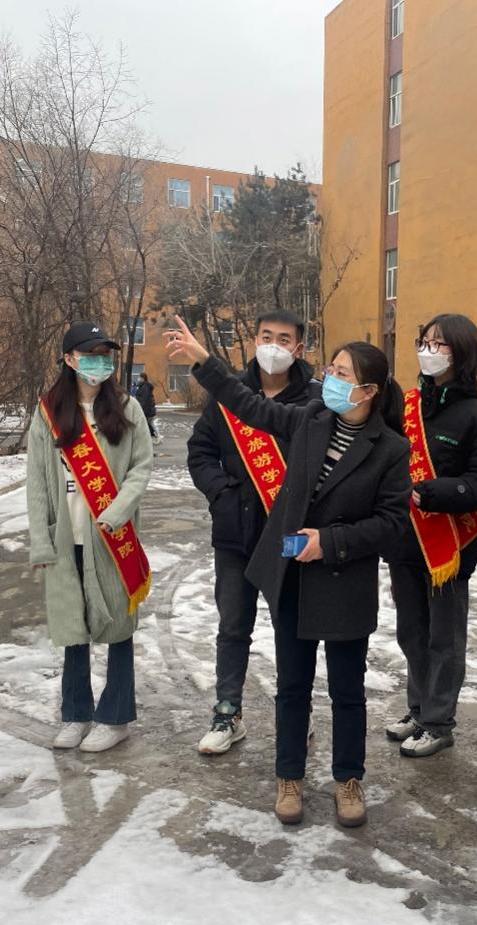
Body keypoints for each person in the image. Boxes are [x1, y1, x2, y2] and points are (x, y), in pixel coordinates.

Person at [166, 317, 411, 828]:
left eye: (343, 374)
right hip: (293, 578)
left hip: (345, 583)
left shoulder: (390, 448)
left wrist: (331, 542)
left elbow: (391, 524)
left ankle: (348, 780)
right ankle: (289, 778)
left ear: (369, 391)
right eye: (331, 370)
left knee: (348, 691)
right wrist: (203, 361)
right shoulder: (310, 419)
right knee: (292, 686)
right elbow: (248, 404)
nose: (331, 380)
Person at [185, 310, 320, 756]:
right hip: (236, 533)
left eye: (283, 339)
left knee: (292, 631)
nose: (273, 346)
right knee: (233, 626)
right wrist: (222, 494)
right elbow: (200, 451)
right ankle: (228, 712)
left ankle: (296, 712)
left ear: (298, 348)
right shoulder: (229, 393)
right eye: (266, 337)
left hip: (290, 539)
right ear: (254, 340)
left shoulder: (315, 401)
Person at [27, 323, 154, 754]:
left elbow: (141, 467)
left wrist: (117, 512)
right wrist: (40, 540)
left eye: (105, 355)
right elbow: (37, 482)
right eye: (91, 354)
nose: (100, 362)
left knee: (118, 626)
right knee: (73, 627)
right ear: (69, 359)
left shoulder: (127, 407)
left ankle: (115, 718)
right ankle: (76, 715)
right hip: (66, 538)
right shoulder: (48, 413)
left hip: (112, 537)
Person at [384, 314, 477, 758]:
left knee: (443, 640)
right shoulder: (408, 405)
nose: (428, 351)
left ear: (462, 353)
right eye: (424, 341)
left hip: (448, 548)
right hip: (405, 541)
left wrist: (438, 492)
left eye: (439, 344)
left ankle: (438, 721)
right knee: (411, 633)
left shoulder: (475, 416)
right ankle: (418, 710)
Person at [134, 374, 161, 445]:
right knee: (149, 423)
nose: (138, 379)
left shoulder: (145, 387)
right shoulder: (142, 386)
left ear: (143, 378)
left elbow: (144, 400)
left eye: (140, 377)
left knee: (149, 423)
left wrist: (142, 409)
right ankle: (156, 436)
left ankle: (157, 436)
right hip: (146, 409)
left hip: (147, 409)